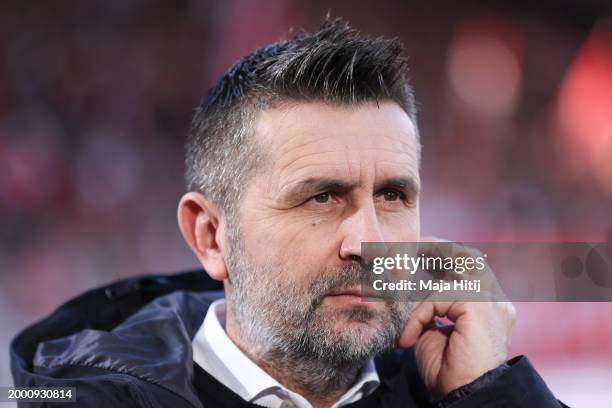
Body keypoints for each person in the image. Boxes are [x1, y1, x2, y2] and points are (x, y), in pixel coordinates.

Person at [11, 18, 566, 407]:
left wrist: (491, 394)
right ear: (210, 235)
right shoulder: (74, 397)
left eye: (393, 196)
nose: (368, 241)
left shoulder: (457, 387)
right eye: (321, 197)